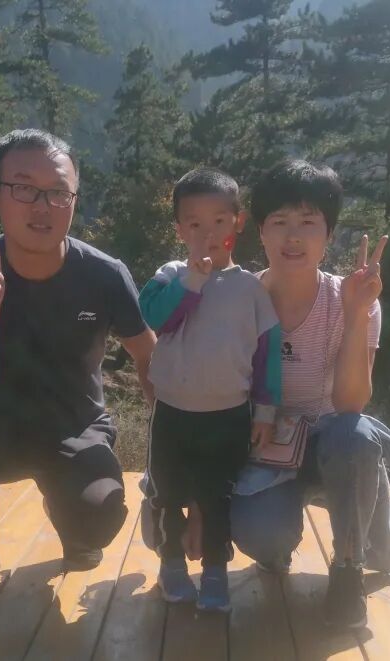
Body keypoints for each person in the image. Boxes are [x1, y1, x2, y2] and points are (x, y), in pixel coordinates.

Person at [157, 160, 390, 629]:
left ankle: (350, 564)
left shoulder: (353, 297)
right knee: (262, 538)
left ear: (329, 234)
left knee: (356, 439)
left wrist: (356, 315)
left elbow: (351, 404)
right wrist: (197, 506)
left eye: (308, 222)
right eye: (279, 222)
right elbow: (203, 406)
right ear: (259, 231)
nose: (293, 237)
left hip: (330, 443)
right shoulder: (236, 295)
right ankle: (298, 530)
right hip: (266, 449)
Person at [0, 129, 156, 618]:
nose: (42, 206)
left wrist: (174, 447)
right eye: (23, 188)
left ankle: (67, 510)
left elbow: (147, 356)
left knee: (97, 521)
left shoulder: (103, 274)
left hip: (75, 427)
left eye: (57, 192)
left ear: (74, 199)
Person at [139, 169, 281, 612]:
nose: (208, 234)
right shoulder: (170, 275)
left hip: (229, 416)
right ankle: (171, 565)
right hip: (172, 413)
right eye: (195, 224)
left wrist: (266, 410)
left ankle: (216, 572)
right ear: (180, 230)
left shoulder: (251, 288)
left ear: (238, 222)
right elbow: (156, 318)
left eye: (219, 221)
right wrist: (192, 282)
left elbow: (267, 354)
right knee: (168, 495)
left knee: (217, 497)